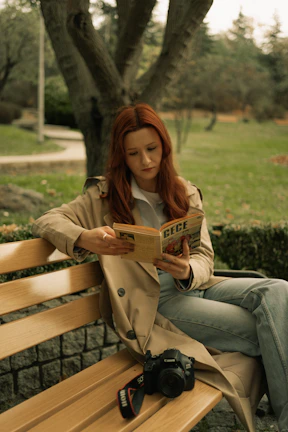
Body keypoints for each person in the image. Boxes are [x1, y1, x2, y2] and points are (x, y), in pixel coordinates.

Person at [32, 103, 288, 432]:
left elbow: (205, 259)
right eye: (134, 153)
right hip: (155, 304)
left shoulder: (183, 191)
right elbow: (46, 220)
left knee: (279, 290)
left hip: (194, 285)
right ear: (121, 155)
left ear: (164, 146)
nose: (146, 161)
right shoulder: (104, 196)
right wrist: (84, 237)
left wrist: (187, 270)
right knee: (268, 330)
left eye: (152, 149)